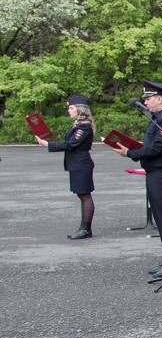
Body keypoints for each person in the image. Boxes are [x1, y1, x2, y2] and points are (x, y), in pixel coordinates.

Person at [112, 80, 162, 279]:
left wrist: (131, 153)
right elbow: (152, 144)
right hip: (155, 173)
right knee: (161, 219)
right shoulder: (158, 118)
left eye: (148, 98)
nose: (146, 102)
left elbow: (157, 147)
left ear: (159, 99)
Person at [37, 94, 96, 239]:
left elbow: (71, 144)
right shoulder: (77, 124)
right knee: (82, 195)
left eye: (71, 108)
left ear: (80, 109)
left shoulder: (84, 126)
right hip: (77, 164)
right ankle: (84, 228)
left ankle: (85, 229)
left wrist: (47, 144)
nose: (69, 110)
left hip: (81, 164)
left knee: (85, 196)